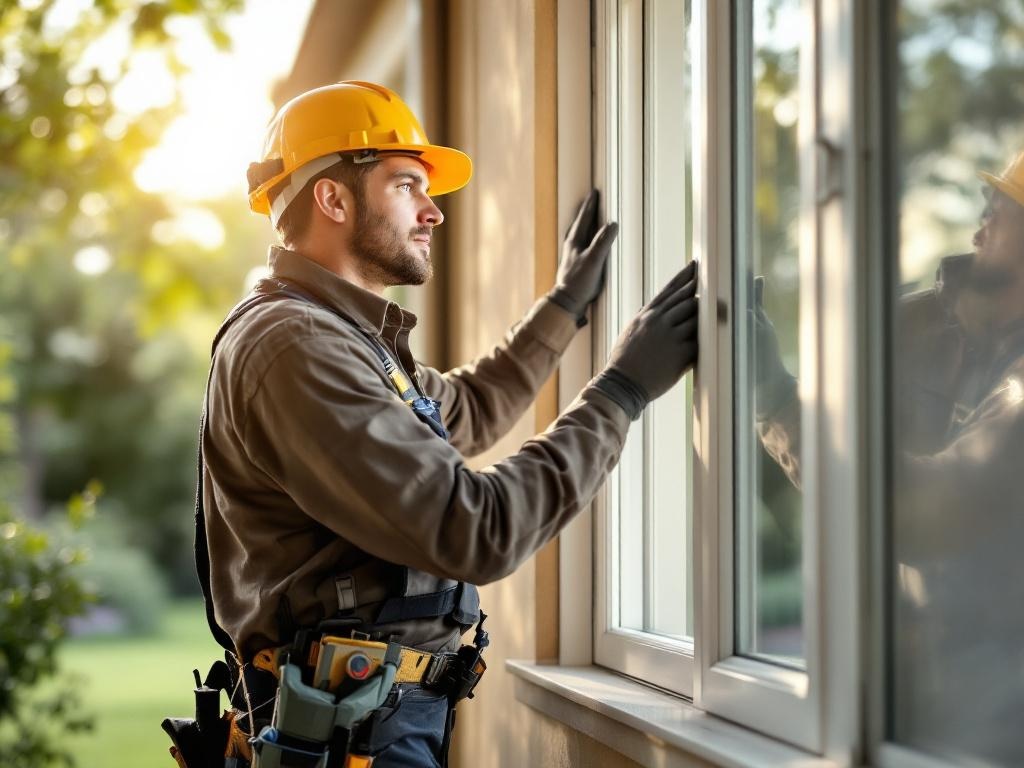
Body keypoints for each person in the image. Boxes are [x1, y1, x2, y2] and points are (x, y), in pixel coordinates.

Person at [194, 81, 698, 767]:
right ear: (333, 199)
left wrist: (565, 305)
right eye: (407, 185)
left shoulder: (342, 336)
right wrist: (622, 391)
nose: (433, 212)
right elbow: (474, 530)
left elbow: (463, 410)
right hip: (342, 734)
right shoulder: (295, 348)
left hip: (373, 727)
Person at [754, 150, 1024, 765]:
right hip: (919, 706)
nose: (980, 226)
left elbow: (927, 510)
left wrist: (773, 399)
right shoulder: (935, 329)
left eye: (999, 211)